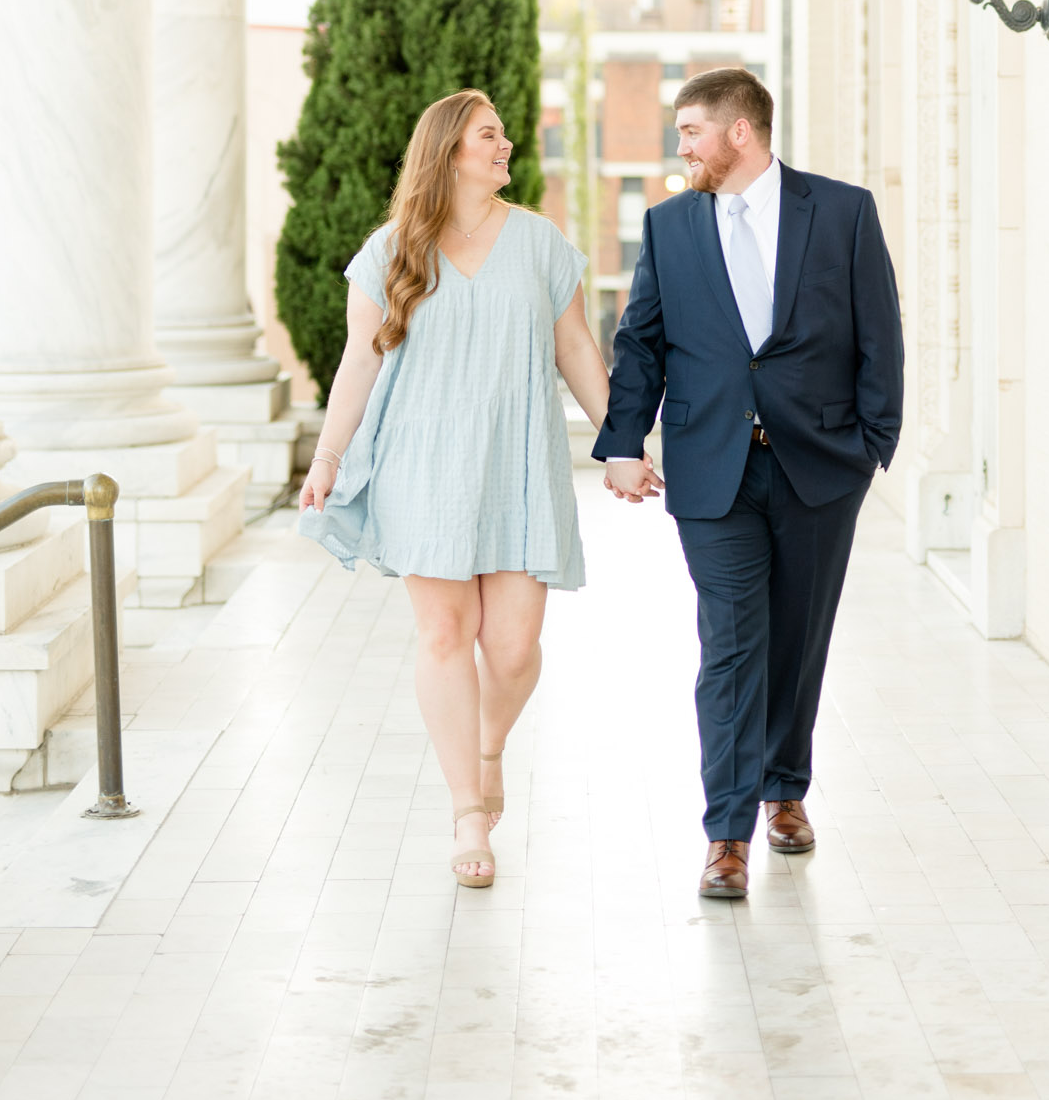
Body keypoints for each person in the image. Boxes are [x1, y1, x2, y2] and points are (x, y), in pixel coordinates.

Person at [595, 67, 903, 899]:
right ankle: (725, 834)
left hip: (820, 467)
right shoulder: (669, 226)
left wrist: (872, 445)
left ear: (740, 131)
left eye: (690, 130)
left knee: (798, 638)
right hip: (712, 472)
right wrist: (623, 441)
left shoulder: (840, 212)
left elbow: (879, 331)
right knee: (730, 645)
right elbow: (642, 342)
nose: (680, 145)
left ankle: (785, 790)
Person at [298, 89, 617, 888]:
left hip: (515, 462)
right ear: (446, 152)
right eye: (489, 135)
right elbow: (359, 363)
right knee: (444, 635)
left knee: (511, 648)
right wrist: (328, 457)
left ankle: (486, 746)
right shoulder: (389, 251)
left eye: (504, 134)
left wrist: (620, 443)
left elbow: (575, 346)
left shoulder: (541, 243)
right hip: (422, 464)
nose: (506, 144)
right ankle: (466, 811)